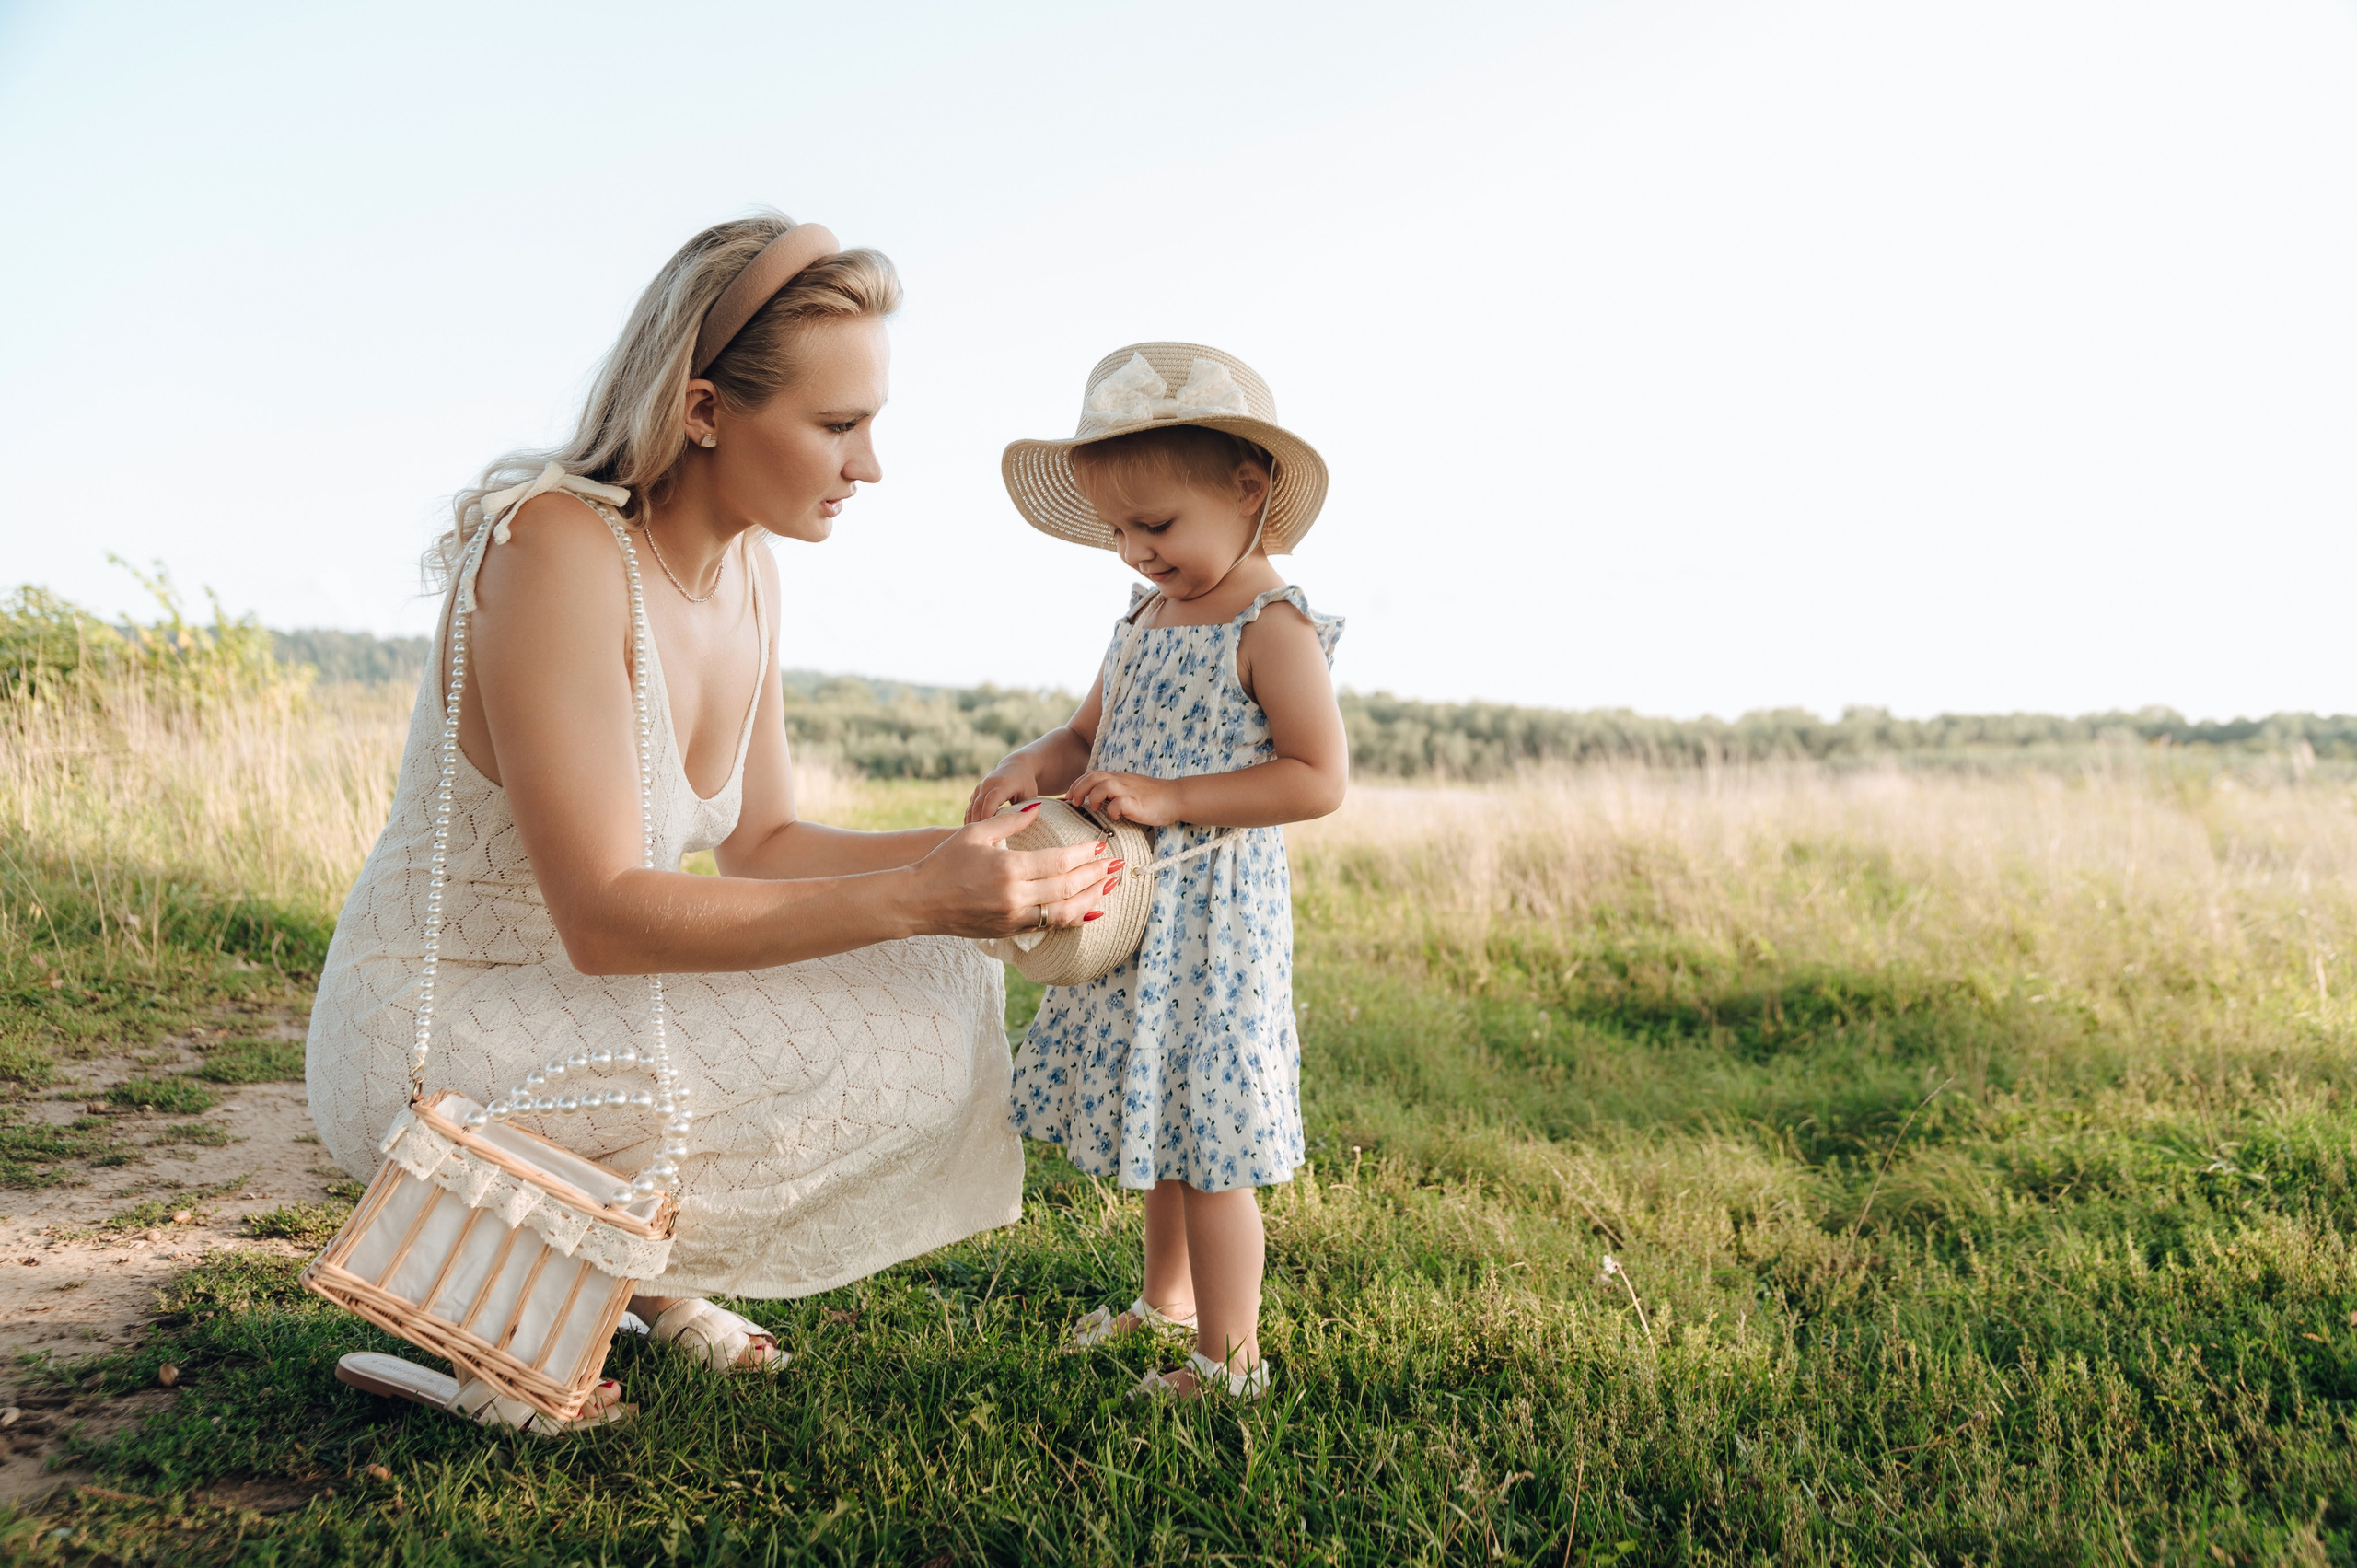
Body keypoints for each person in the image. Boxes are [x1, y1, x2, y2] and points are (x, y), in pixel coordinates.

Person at [307, 214, 1115, 1433]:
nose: (869, 464)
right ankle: (530, 1283)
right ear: (702, 411)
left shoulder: (748, 570)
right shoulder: (557, 547)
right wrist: (919, 895)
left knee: (940, 980)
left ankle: (632, 1268)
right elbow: (602, 914)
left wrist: (996, 850)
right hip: (446, 1027)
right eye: (837, 425)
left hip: (588, 1001)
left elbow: (769, 844)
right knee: (916, 948)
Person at [970, 343, 1347, 1400]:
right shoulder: (1142, 618)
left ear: (1248, 488)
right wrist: (1030, 763)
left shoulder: (1271, 625)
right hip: (1135, 910)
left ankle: (1230, 1358)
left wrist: (1171, 795)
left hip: (1213, 919)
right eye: (1118, 532)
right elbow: (1081, 738)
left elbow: (1315, 776)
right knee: (1164, 1113)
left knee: (1209, 1140)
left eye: (1157, 525)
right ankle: (1164, 1300)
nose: (1136, 552)